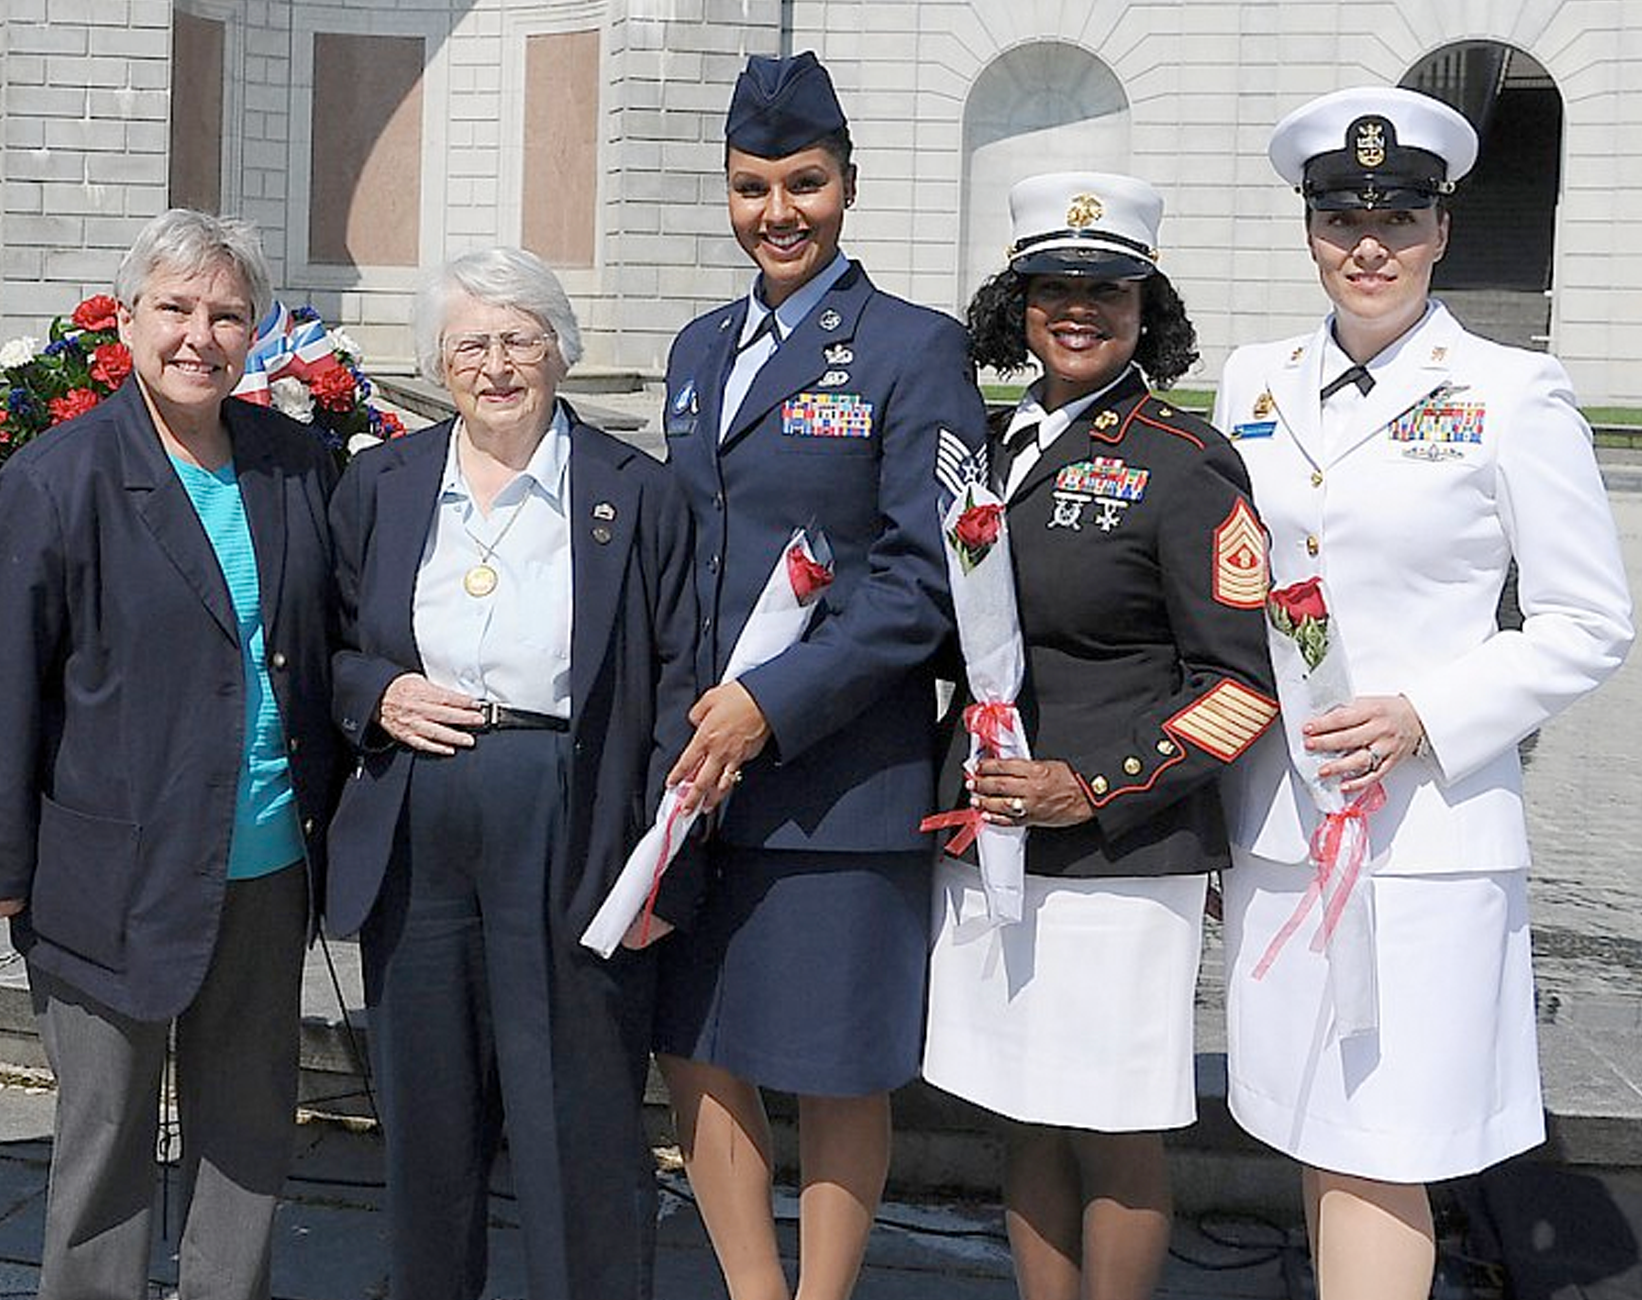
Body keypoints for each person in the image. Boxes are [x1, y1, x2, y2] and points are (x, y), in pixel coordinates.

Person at [1214, 87, 1631, 1300]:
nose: (1368, 245)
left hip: (1427, 833)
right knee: (1315, 1126)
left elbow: (1587, 621)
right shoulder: (1253, 381)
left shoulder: (1511, 389)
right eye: (1342, 216)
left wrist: (1423, 716)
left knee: (1387, 1142)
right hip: (1282, 827)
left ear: (1441, 229)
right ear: (1308, 230)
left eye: (1398, 216)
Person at [0, 209, 343, 1300]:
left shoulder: (295, 466)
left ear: (254, 334)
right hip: (106, 871)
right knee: (106, 1143)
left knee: (247, 1135)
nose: (199, 335)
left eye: (226, 314)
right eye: (175, 309)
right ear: (128, 321)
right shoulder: (59, 476)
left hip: (262, 864)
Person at [649, 50, 988, 1300]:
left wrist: (769, 706)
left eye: (802, 183)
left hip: (839, 775)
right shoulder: (695, 350)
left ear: (846, 186)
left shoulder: (912, 349)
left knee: (839, 1063)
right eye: (751, 187)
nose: (775, 212)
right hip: (701, 774)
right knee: (695, 1046)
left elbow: (921, 577)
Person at [926, 172, 1278, 1300]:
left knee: (1115, 1123)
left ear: (1146, 309)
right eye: (1051, 288)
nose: (1076, 310)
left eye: (1106, 291)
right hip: (991, 830)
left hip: (1121, 851)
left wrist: (1093, 785)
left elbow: (1241, 684)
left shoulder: (1184, 462)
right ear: (1016, 302)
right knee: (1021, 1109)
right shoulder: (984, 445)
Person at [325, 247, 698, 1300]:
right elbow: (329, 647)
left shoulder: (636, 491)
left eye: (517, 339)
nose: (495, 365)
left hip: (570, 810)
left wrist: (662, 861)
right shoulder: (382, 482)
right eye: (469, 344)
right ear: (437, 363)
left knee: (573, 1110)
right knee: (427, 1109)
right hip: (419, 807)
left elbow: (679, 681)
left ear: (559, 351)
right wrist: (379, 694)